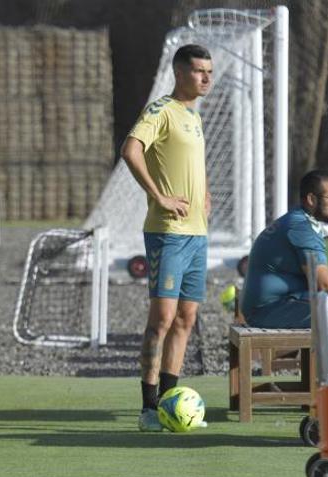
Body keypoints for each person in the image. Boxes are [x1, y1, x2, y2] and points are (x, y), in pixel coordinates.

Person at [120, 44, 213, 432]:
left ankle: (170, 404)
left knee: (187, 318)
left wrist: (205, 195)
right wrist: (158, 196)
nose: (206, 78)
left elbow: (189, 165)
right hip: (168, 234)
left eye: (210, 71)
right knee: (162, 319)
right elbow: (130, 150)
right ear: (179, 74)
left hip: (197, 234)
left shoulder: (194, 116)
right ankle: (147, 407)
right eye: (198, 71)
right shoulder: (161, 110)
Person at [241, 170, 328, 342]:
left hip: (265, 307)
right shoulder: (302, 228)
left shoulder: (296, 220)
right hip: (269, 310)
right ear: (312, 199)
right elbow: (324, 284)